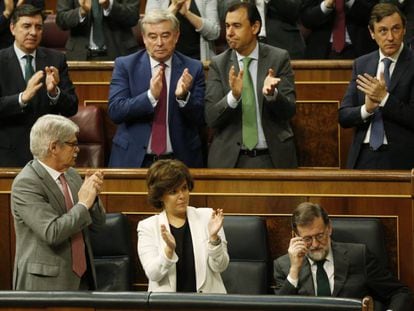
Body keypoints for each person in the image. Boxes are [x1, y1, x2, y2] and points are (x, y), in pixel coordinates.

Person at [11, 114, 106, 290]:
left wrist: (92, 197)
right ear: (54, 147)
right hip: (45, 284)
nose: (77, 149)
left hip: (83, 280)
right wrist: (83, 204)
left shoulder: (71, 175)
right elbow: (52, 232)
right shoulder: (27, 183)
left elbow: (98, 225)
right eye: (72, 144)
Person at [108, 9, 205, 168]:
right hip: (134, 161)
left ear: (176, 36)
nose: (159, 43)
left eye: (165, 36)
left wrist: (183, 97)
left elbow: (201, 118)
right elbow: (115, 111)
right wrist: (150, 96)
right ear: (144, 39)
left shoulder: (193, 68)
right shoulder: (125, 65)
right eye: (153, 36)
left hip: (179, 162)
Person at [205, 2, 298, 168]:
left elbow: (289, 111)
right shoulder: (218, 64)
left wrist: (273, 95)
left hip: (272, 157)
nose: (230, 33)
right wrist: (233, 97)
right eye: (227, 26)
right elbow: (211, 117)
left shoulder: (278, 59)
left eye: (237, 26)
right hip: (230, 160)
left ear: (255, 27)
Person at [273, 202, 413, 310]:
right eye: (307, 239)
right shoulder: (284, 266)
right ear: (296, 237)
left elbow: (401, 293)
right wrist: (294, 270)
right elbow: (278, 308)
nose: (315, 244)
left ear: (329, 228)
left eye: (320, 235)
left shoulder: (358, 256)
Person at [0, 4, 78, 167]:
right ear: (13, 28)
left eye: (38, 27)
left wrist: (54, 92)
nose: (33, 32)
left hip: (49, 155)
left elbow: (72, 107)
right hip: (8, 155)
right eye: (27, 26)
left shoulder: (56, 59)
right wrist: (22, 98)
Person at [338, 3, 414, 169]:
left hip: (401, 159)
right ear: (372, 33)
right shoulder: (362, 64)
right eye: (383, 31)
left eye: (396, 29)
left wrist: (384, 99)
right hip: (363, 156)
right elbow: (343, 116)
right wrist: (367, 109)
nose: (390, 37)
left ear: (404, 30)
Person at [137, 159, 229, 293]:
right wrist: (168, 250)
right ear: (160, 196)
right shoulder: (148, 227)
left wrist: (214, 239)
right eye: (173, 192)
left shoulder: (207, 217)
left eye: (184, 188)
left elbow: (220, 266)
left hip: (207, 303)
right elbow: (153, 274)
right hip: (168, 306)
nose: (182, 196)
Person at [56, 0, 140, 60]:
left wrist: (109, 6)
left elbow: (133, 17)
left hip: (119, 53)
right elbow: (61, 20)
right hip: (80, 56)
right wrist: (81, 12)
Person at [145, 0, 220, 61]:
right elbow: (149, 27)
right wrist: (174, 7)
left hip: (199, 60)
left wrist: (187, 14)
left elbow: (214, 33)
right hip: (166, 61)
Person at [301, 0, 378, 59]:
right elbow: (306, 19)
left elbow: (375, 16)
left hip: (360, 51)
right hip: (321, 51)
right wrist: (325, 6)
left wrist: (350, 1)